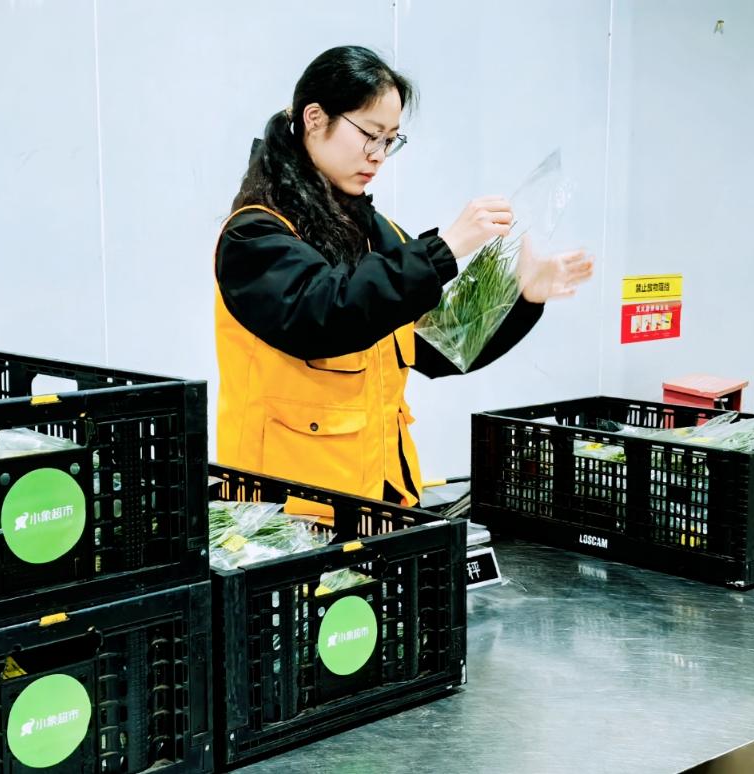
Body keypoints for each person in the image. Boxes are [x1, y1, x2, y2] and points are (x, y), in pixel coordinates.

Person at [214, 46, 593, 506]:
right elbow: (326, 313)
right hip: (285, 515)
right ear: (315, 118)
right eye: (370, 135)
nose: (378, 155)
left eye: (390, 140)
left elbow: (441, 344)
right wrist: (444, 248)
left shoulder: (379, 234)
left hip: (381, 502)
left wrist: (523, 295)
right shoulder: (255, 235)